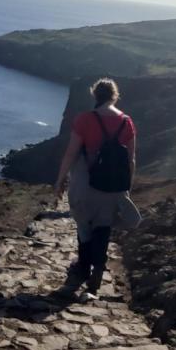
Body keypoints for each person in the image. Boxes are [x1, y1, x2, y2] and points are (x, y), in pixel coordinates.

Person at [54, 77, 140, 294]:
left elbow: (71, 153)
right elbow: (131, 160)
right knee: (103, 226)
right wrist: (126, 187)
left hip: (85, 182)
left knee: (84, 226)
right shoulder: (126, 122)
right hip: (112, 185)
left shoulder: (85, 119)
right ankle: (98, 267)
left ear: (95, 95)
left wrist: (60, 179)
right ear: (115, 96)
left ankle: (83, 268)